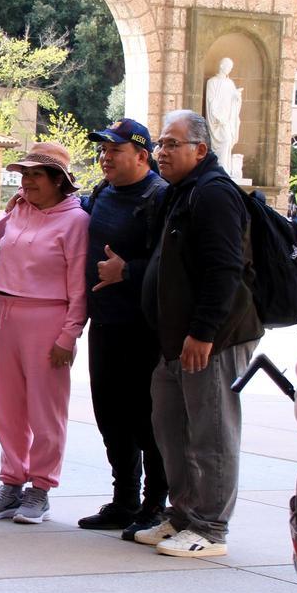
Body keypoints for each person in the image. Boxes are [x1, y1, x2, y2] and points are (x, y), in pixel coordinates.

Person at [136, 109, 262, 558]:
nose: (161, 152)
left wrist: (204, 333)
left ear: (200, 150)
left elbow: (225, 270)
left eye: (172, 144)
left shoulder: (214, 194)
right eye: (160, 143)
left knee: (210, 429)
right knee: (171, 426)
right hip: (175, 338)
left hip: (214, 338)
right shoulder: (179, 192)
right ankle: (184, 514)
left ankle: (211, 528)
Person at [0, 142, 88, 524]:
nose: (27, 181)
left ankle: (40, 487)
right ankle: (11, 482)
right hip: (6, 313)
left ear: (59, 180)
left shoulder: (75, 221)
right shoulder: (18, 209)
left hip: (47, 318)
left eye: (36, 174)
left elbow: (78, 285)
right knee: (7, 406)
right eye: (23, 174)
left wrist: (68, 336)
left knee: (45, 410)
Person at [77, 119, 169, 538]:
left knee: (145, 419)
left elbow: (175, 266)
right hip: (106, 322)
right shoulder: (102, 193)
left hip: (144, 328)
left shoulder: (160, 197)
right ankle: (124, 499)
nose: (105, 157)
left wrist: (127, 270)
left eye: (115, 150)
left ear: (141, 156)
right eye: (103, 150)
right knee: (110, 416)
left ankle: (155, 504)